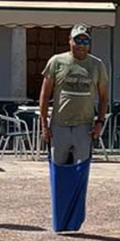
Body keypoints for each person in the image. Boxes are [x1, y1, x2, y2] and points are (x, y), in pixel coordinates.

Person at [39, 24, 109, 165]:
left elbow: (103, 97)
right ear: (70, 40)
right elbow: (45, 95)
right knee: (58, 166)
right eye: (78, 41)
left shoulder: (97, 65)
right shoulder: (57, 62)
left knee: (80, 168)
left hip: (85, 126)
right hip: (59, 125)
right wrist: (44, 126)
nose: (81, 45)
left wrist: (99, 122)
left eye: (85, 42)